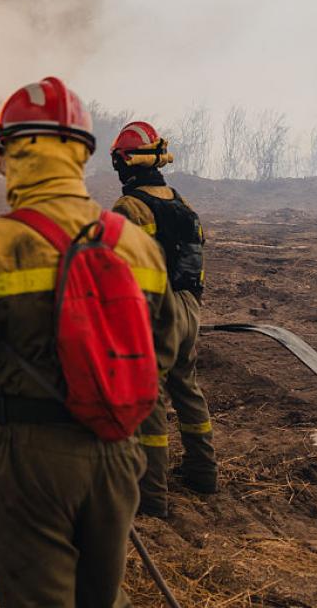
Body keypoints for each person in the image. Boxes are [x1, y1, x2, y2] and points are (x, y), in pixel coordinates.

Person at [0, 77, 175, 608]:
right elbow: (164, 349)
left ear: (11, 152)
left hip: (28, 454)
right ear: (82, 153)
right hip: (116, 454)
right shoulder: (134, 244)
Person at [110, 121, 217, 518]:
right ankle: (203, 473)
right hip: (191, 308)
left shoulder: (129, 208)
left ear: (126, 164)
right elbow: (194, 266)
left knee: (149, 396)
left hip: (155, 313)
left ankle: (150, 494)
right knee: (186, 387)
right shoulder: (183, 205)